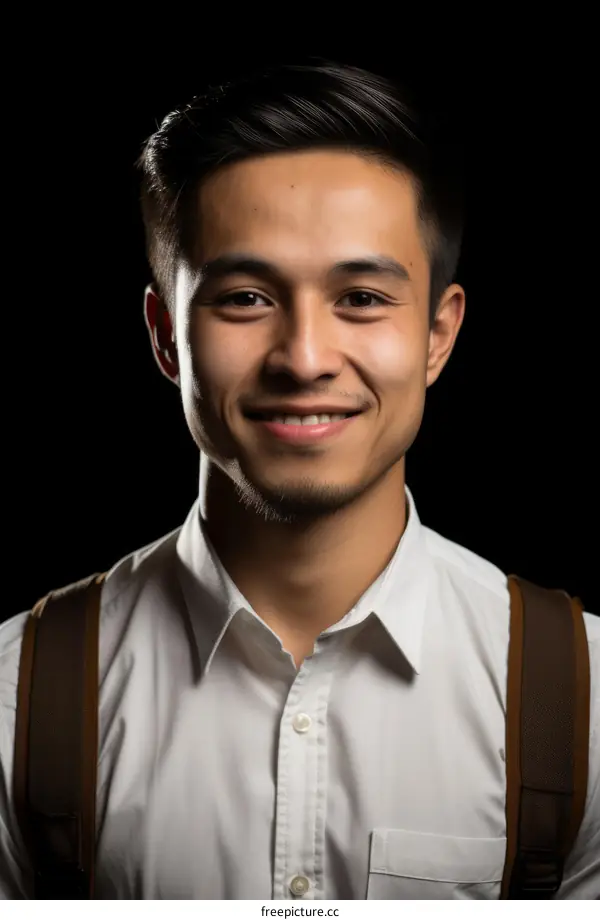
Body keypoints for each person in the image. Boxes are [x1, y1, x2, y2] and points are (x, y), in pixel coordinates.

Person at [0, 61, 598, 900]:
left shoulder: (589, 701)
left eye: (360, 296)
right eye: (245, 298)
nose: (306, 359)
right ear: (166, 337)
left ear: (438, 334)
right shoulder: (15, 700)